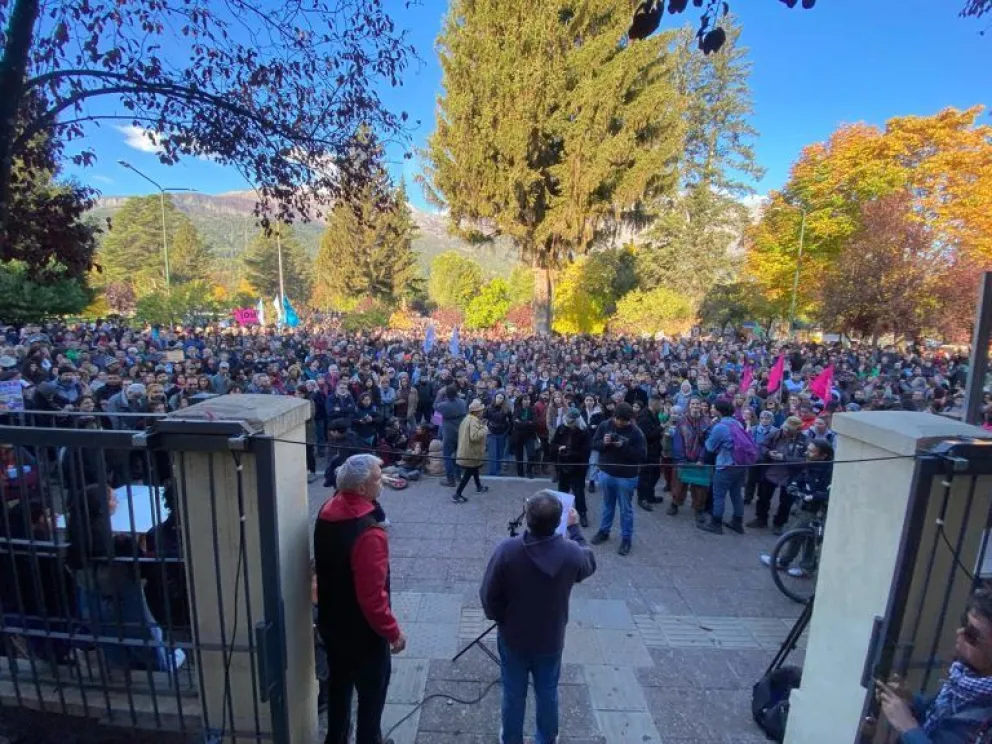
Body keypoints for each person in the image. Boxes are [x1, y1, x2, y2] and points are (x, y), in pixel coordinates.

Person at [479, 491, 597, 744]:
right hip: (550, 636)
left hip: (514, 636)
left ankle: (511, 738)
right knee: (547, 691)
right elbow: (589, 562)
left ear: (527, 519)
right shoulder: (570, 552)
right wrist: (575, 530)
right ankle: (546, 737)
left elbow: (488, 595)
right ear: (558, 521)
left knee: (513, 693)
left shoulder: (507, 550)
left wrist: (500, 618)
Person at [314, 454, 405, 744]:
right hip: (363, 634)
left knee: (339, 689)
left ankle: (336, 739)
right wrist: (393, 632)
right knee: (371, 697)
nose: (383, 482)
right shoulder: (369, 533)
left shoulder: (327, 510)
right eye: (378, 478)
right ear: (363, 488)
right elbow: (372, 597)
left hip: (332, 622)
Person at [876, 584, 992, 744]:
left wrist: (908, 727)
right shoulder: (963, 678)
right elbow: (938, 715)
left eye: (972, 634)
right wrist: (910, 701)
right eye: (964, 622)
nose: (960, 632)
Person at [760, 437, 833, 576]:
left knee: (800, 536)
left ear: (823, 456)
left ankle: (792, 564)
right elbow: (801, 478)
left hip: (815, 510)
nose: (806, 453)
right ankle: (798, 565)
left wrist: (813, 496)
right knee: (801, 536)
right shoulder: (810, 464)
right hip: (802, 506)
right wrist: (794, 485)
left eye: (811, 451)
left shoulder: (829, 471)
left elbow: (830, 492)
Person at [589, 402, 647, 556]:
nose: (620, 423)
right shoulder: (604, 425)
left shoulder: (636, 432)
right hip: (606, 472)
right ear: (614, 416)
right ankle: (604, 531)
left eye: (624, 421)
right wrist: (604, 443)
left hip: (626, 477)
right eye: (617, 419)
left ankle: (626, 538)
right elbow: (594, 444)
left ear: (630, 419)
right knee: (607, 505)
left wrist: (623, 446)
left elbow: (642, 456)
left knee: (626, 509)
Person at [750, 416, 807, 535]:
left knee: (786, 502)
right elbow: (762, 446)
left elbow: (804, 460)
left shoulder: (804, 440)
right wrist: (768, 453)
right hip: (770, 472)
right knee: (763, 497)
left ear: (797, 430)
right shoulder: (775, 434)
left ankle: (779, 524)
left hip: (790, 476)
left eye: (789, 430)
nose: (785, 431)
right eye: (785, 428)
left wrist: (785, 458)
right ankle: (761, 519)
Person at [698, 398, 748, 535]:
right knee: (736, 494)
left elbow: (709, 447)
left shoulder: (720, 427)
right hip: (740, 464)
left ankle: (716, 524)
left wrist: (708, 432)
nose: (711, 409)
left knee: (719, 495)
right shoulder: (737, 423)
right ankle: (737, 522)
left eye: (713, 408)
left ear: (719, 411)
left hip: (726, 465)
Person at [550, 408, 592, 527]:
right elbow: (553, 444)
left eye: (571, 422)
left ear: (577, 421)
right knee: (562, 490)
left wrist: (570, 453)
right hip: (563, 465)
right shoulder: (561, 428)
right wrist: (559, 448)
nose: (568, 424)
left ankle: (582, 513)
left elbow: (586, 453)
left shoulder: (584, 432)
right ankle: (561, 514)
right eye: (567, 421)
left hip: (578, 467)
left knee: (578, 491)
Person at [453, 399, 489, 503]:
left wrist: (480, 425)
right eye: (481, 410)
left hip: (467, 451)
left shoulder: (467, 418)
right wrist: (484, 428)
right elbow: (474, 436)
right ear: (477, 412)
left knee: (475, 468)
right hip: (471, 452)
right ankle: (457, 494)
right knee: (468, 473)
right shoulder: (473, 421)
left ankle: (479, 487)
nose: (482, 412)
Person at [636, 395, 665, 512]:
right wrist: (661, 428)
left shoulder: (654, 414)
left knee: (655, 474)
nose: (662, 406)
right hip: (647, 451)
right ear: (654, 403)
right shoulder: (644, 417)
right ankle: (641, 498)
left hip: (655, 450)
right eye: (660, 403)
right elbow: (647, 436)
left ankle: (649, 495)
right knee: (645, 475)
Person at [436, 385, 467, 487]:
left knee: (447, 456)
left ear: (446, 394)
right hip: (460, 432)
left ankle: (450, 480)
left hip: (449, 434)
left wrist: (439, 394)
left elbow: (435, 407)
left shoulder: (443, 405)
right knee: (458, 455)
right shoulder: (462, 402)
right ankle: (458, 476)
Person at [484, 392, 513, 477]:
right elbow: (484, 418)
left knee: (500, 453)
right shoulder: (488, 407)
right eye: (498, 397)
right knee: (492, 453)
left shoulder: (507, 409)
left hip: (502, 432)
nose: (499, 399)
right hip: (491, 432)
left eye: (501, 398)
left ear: (504, 400)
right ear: (495, 398)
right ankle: (492, 471)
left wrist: (507, 430)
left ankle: (498, 470)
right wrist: (487, 428)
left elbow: (511, 420)